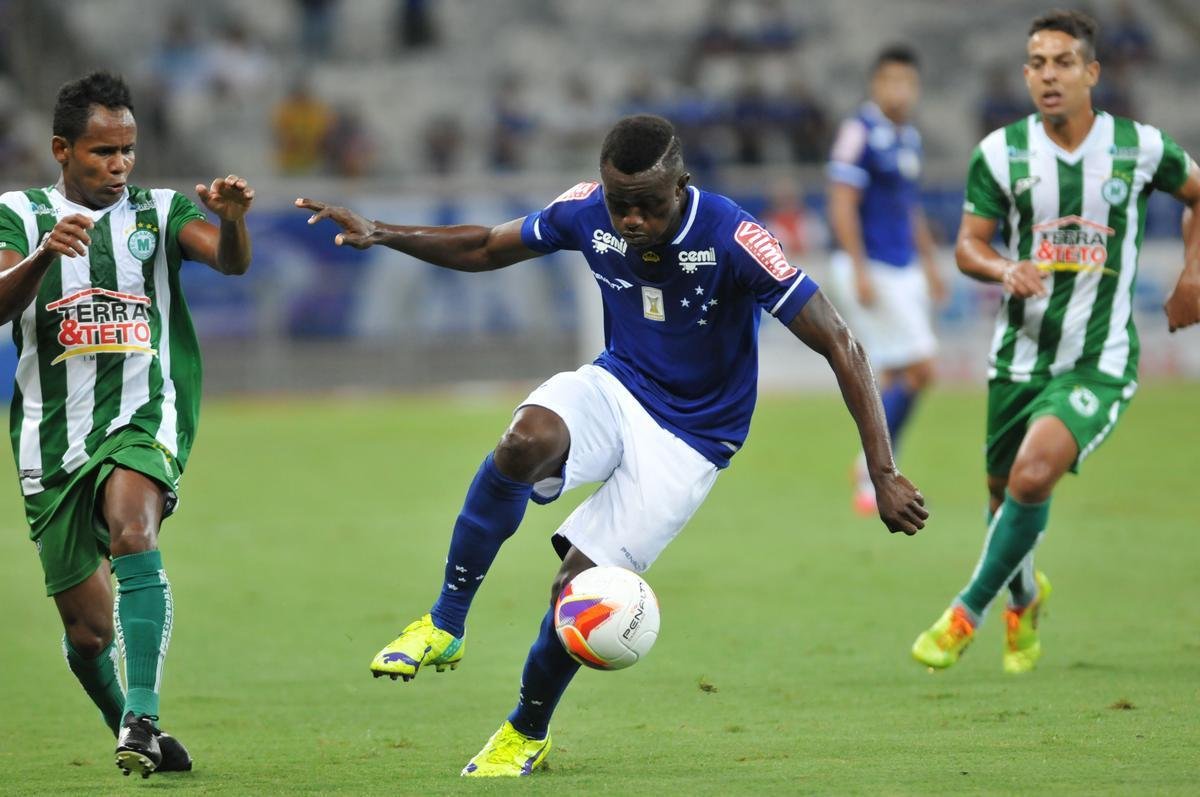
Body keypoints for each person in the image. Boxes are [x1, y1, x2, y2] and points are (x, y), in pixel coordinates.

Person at [297, 114, 928, 777]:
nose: (630, 220)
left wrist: (883, 470)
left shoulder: (734, 235)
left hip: (692, 439)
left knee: (577, 593)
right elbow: (486, 245)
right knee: (523, 440)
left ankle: (525, 731)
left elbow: (841, 341)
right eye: (619, 202)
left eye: (648, 206)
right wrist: (384, 232)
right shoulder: (586, 211)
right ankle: (445, 621)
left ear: (680, 186)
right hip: (618, 385)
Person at [911, 10, 1200, 674]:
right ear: (1025, 74)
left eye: (1063, 62)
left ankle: (965, 613)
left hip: (1099, 360)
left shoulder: (1140, 147)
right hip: (1018, 358)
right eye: (1037, 63)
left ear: (1091, 72)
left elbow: (1198, 196)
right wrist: (1001, 267)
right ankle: (1025, 598)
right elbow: (967, 245)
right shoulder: (1000, 153)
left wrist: (1192, 271)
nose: (1049, 74)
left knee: (1033, 474)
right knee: (1003, 497)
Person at [0, 71, 255, 777]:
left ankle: (140, 715)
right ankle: (128, 717)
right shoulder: (16, 215)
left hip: (145, 411)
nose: (118, 166)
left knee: (133, 528)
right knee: (88, 633)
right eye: (102, 152)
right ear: (61, 149)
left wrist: (232, 220)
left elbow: (229, 263)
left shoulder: (160, 210)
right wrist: (43, 255)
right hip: (51, 436)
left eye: (128, 150)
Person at [826, 45, 946, 515]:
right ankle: (870, 470)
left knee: (896, 374)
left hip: (904, 266)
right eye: (891, 81)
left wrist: (930, 263)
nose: (900, 90)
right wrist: (857, 269)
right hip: (872, 264)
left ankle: (876, 474)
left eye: (907, 82)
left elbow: (908, 205)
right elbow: (841, 201)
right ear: (876, 84)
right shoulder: (859, 132)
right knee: (923, 369)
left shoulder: (908, 137)